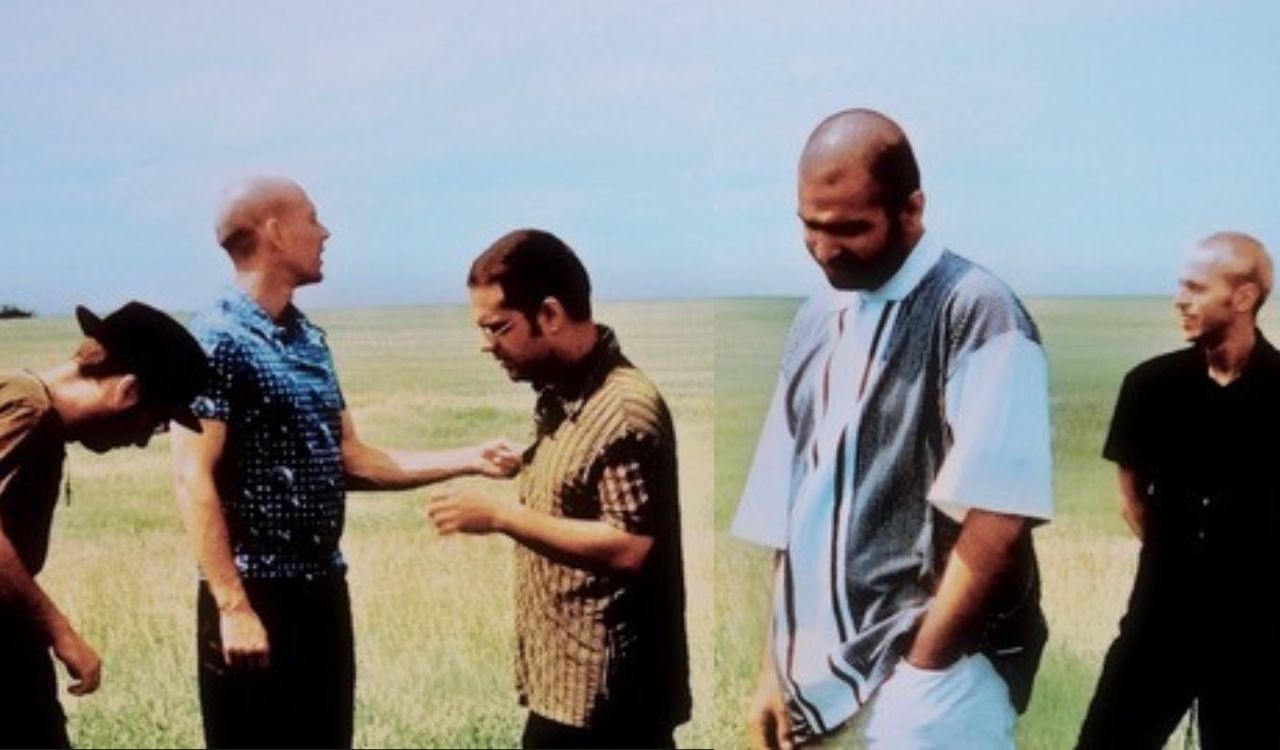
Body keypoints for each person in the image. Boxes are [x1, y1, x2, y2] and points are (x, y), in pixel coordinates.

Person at [732, 108, 1054, 749]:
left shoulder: (978, 312)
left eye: (850, 228)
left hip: (937, 688)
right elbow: (794, 508)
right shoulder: (814, 318)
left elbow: (998, 516)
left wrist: (924, 673)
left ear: (912, 210)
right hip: (816, 691)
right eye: (811, 227)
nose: (826, 249)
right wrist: (774, 668)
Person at [170, 176, 520, 749]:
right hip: (255, 594)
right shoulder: (215, 338)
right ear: (276, 233)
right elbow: (193, 475)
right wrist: (233, 606)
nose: (325, 231)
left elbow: (350, 460)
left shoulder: (308, 338)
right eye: (312, 217)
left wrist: (471, 458)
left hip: (322, 591)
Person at [426, 229, 691, 749]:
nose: (487, 346)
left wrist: (501, 516)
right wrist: (529, 464)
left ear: (550, 314)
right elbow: (585, 485)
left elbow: (630, 546)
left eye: (498, 327)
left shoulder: (622, 409)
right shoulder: (566, 392)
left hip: (608, 703)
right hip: (567, 688)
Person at [1077, 232, 1280, 749]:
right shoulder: (1149, 386)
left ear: (1243, 297)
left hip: (1255, 639)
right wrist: (1185, 565)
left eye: (1195, 287)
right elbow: (1130, 500)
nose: (1178, 300)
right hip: (1156, 625)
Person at [1, 301, 208, 748]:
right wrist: (60, 631)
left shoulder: (36, 415)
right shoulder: (27, 408)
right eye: (151, 423)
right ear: (129, 391)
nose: (136, 441)